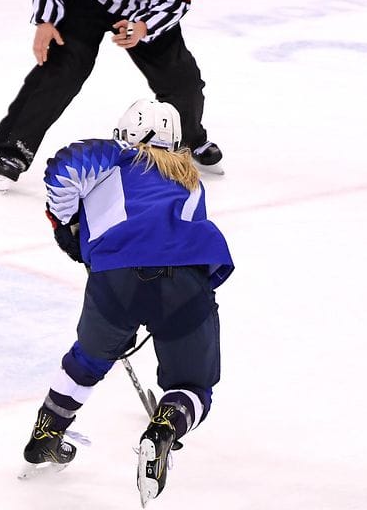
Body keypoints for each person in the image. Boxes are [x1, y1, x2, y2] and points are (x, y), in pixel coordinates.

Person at [19, 100, 233, 507]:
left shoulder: (114, 159)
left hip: (116, 280)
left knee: (87, 360)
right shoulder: (190, 178)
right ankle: (164, 429)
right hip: (184, 282)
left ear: (128, 134)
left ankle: (47, 432)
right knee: (191, 385)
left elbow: (62, 167)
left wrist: (68, 225)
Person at [0, 0, 221, 193]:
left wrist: (144, 25)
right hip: (87, 2)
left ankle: (189, 139)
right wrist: (46, 20)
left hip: (144, 8)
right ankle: (10, 151)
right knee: (62, 73)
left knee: (182, 79)